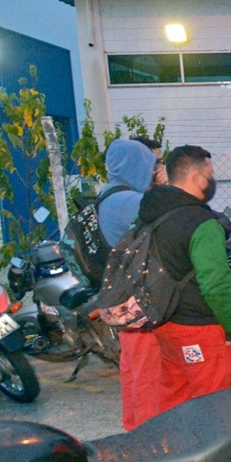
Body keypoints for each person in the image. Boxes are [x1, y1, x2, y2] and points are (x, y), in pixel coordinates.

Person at [138, 145, 231, 412]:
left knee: (174, 398)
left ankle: (174, 451)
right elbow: (215, 284)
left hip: (164, 322)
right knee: (214, 407)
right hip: (202, 328)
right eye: (210, 174)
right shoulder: (202, 222)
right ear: (197, 178)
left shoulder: (147, 214)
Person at [96, 139, 163, 431]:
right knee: (148, 371)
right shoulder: (129, 202)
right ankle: (151, 436)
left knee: (133, 369)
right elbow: (172, 217)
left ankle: (134, 427)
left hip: (123, 294)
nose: (153, 170)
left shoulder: (110, 194)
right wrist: (167, 186)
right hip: (139, 297)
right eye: (150, 164)